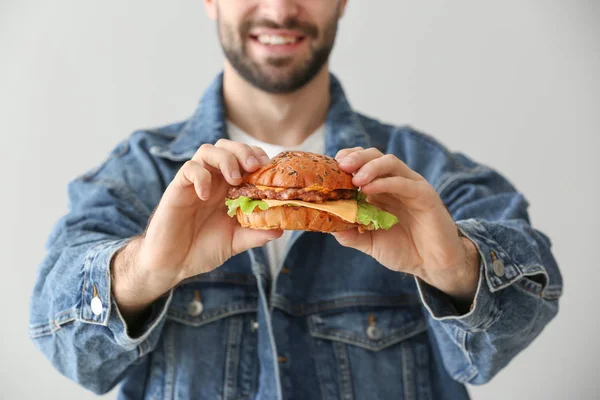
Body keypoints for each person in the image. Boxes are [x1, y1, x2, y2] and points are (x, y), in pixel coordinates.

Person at [29, 1, 563, 399]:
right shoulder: (138, 175)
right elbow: (66, 347)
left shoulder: (423, 176)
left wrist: (455, 268)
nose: (282, 9)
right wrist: (143, 272)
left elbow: (526, 308)